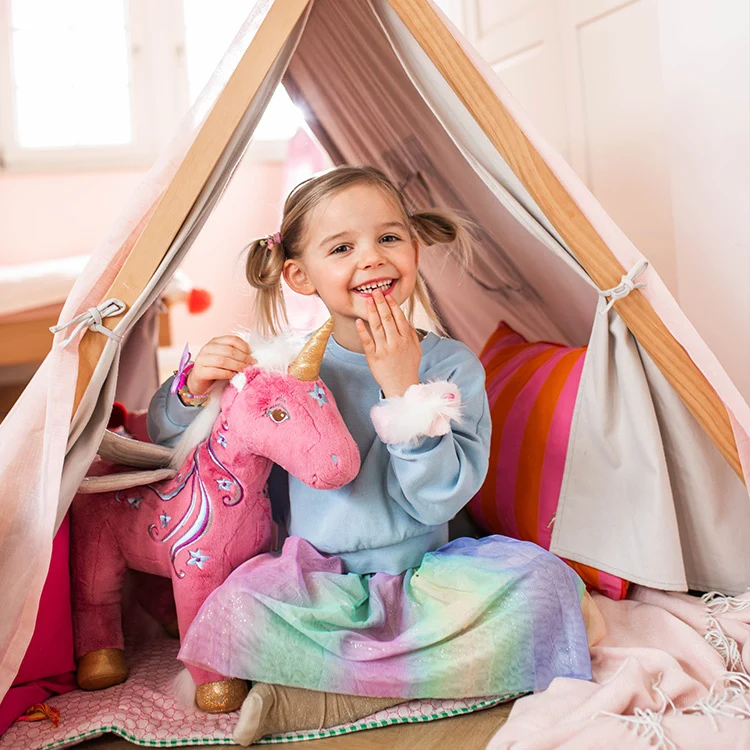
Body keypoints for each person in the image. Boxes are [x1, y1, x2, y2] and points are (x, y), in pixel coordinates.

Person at [147, 166, 593, 743]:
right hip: (316, 586)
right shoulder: (280, 369)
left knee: (542, 584)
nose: (372, 258)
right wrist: (189, 390)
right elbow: (169, 438)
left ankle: (323, 695)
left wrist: (403, 390)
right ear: (300, 276)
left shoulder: (451, 364)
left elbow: (440, 500)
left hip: (426, 579)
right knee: (232, 611)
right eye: (342, 247)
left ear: (414, 247)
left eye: (388, 238)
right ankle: (349, 690)